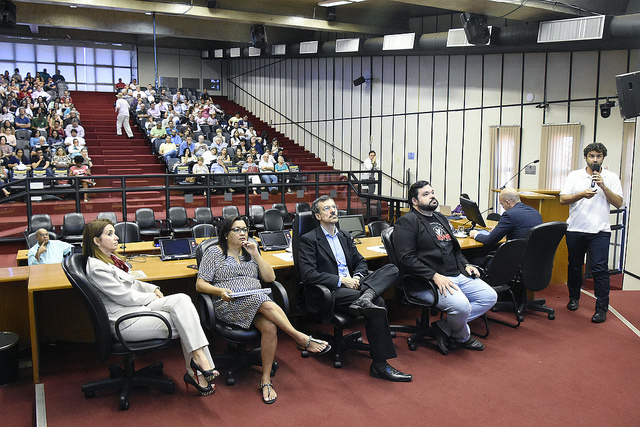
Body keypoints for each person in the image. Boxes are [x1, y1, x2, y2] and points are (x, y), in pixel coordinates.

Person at [196, 216, 329, 404]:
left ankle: (266, 380)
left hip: (255, 303)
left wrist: (257, 254)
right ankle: (299, 337)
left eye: (245, 229)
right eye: (237, 230)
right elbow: (200, 284)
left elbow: (270, 277)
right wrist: (219, 291)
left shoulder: (250, 251)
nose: (243, 233)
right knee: (263, 301)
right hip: (228, 304)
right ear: (226, 234)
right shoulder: (214, 253)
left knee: (270, 327)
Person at [83, 219, 218, 396]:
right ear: (96, 241)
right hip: (126, 322)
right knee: (187, 321)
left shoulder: (111, 260)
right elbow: (126, 297)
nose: (116, 237)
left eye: (114, 233)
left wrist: (153, 288)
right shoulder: (97, 268)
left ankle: (198, 362)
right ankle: (197, 371)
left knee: (183, 301)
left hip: (137, 311)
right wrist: (151, 296)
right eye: (109, 234)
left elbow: (131, 284)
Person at [298, 195, 412, 382]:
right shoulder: (308, 240)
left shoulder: (344, 235)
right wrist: (343, 281)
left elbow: (360, 261)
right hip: (331, 291)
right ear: (318, 216)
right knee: (379, 301)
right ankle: (380, 364)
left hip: (355, 285)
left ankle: (366, 296)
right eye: (327, 208)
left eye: (334, 207)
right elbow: (308, 274)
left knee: (392, 268)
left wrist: (358, 277)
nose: (333, 210)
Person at [392, 181, 497, 355]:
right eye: (425, 194)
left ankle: (444, 326)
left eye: (432, 192)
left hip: (457, 274)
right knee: (462, 307)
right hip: (428, 281)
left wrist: (466, 264)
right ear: (414, 201)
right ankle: (462, 337)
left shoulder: (441, 218)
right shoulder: (406, 222)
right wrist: (434, 275)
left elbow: (454, 249)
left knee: (489, 296)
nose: (432, 196)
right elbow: (406, 258)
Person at [559, 142, 623, 323]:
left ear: (603, 158)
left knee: (600, 269)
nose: (595, 159)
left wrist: (603, 186)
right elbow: (563, 199)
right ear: (586, 157)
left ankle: (601, 308)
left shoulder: (611, 177)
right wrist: (581, 194)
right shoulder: (575, 176)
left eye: (598, 156)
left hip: (600, 230)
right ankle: (574, 298)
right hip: (576, 229)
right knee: (574, 266)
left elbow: (618, 203)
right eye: (592, 156)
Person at [469, 188, 543, 247]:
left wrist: (476, 234)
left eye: (502, 204)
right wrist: (500, 230)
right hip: (533, 258)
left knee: (476, 259)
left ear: (507, 202)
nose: (503, 207)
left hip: (515, 259)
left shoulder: (509, 214)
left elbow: (489, 241)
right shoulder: (535, 212)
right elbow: (522, 232)